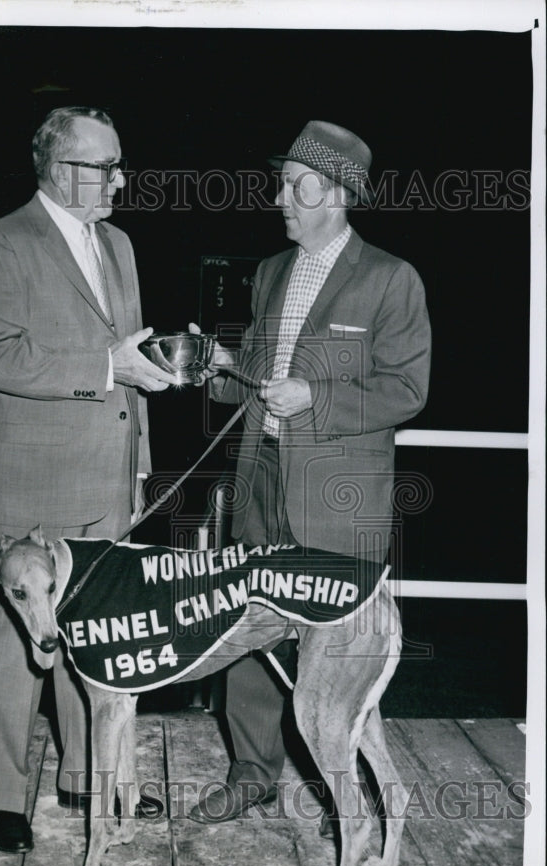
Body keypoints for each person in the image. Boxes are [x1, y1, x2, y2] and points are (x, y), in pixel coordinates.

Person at [190, 120, 431, 823]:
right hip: (259, 476)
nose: (281, 200)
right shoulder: (270, 272)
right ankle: (250, 771)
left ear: (338, 195)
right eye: (281, 185)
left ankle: (344, 782)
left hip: (336, 493)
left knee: (336, 646)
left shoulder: (390, 278)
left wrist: (315, 398)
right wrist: (211, 367)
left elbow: (406, 390)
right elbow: (254, 374)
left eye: (297, 188)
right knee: (245, 624)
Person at [0, 106, 176, 854]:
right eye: (104, 165)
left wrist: (142, 459)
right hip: (34, 484)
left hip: (108, 478)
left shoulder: (117, 243)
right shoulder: (5, 241)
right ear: (59, 170)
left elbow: (130, 356)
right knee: (15, 647)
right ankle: (2, 798)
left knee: (94, 637)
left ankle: (85, 778)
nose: (120, 178)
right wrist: (102, 368)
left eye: (118, 163)